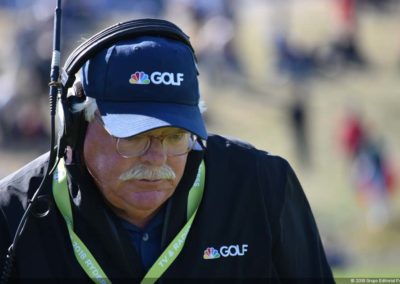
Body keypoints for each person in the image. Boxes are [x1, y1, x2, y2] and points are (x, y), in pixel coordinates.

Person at [0, 18, 334, 282]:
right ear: (73, 127)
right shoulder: (9, 214)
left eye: (176, 135)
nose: (157, 158)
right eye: (133, 136)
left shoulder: (265, 186)